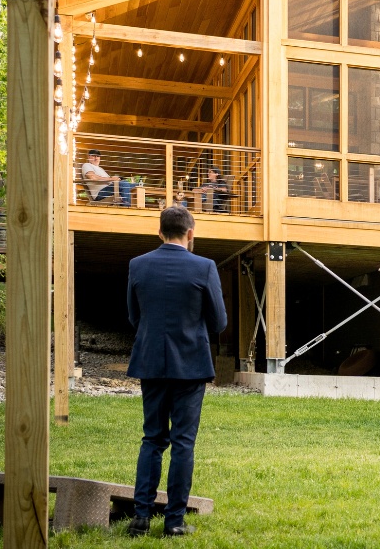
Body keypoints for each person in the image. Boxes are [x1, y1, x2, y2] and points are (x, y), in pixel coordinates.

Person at [126, 207, 226, 538]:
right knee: (183, 441)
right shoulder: (205, 267)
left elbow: (133, 316)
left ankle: (140, 518)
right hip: (191, 364)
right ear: (191, 233)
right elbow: (220, 322)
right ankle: (174, 522)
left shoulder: (137, 265)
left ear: (160, 233)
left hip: (151, 361)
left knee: (152, 438)